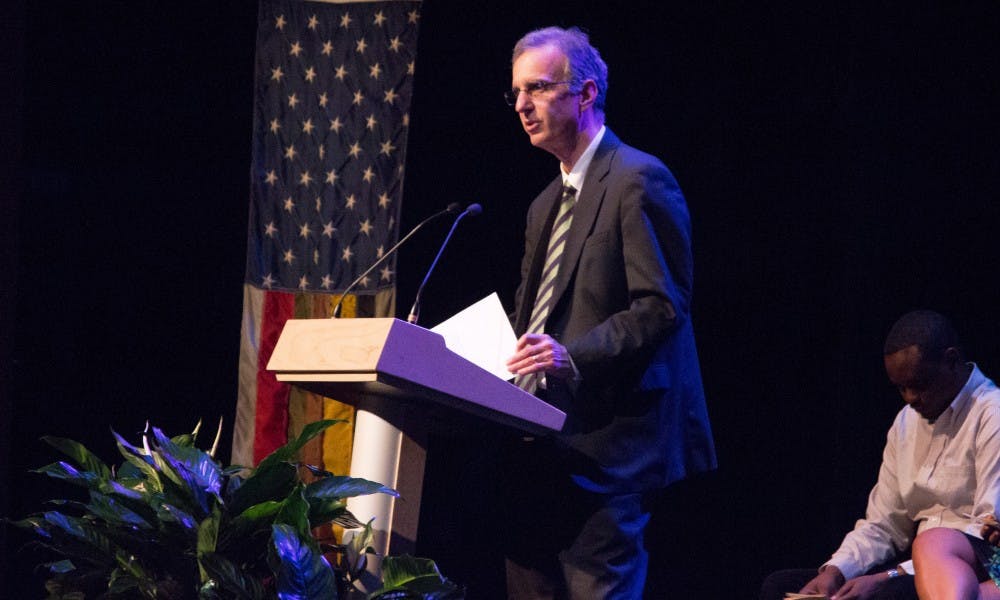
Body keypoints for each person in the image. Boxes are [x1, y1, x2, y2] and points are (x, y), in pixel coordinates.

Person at [500, 26, 716, 599]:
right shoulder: (544, 204)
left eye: (538, 88)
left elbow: (662, 306)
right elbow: (535, 320)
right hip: (536, 446)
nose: (522, 105)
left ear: (586, 93)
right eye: (517, 92)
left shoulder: (638, 179)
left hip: (609, 449)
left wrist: (573, 357)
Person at [759, 310, 1000, 600]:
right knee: (780, 587)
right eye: (901, 388)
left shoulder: (992, 414)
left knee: (886, 594)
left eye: (919, 384)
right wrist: (835, 572)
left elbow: (986, 538)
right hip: (910, 564)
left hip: (966, 569)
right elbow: (884, 523)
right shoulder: (905, 422)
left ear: (950, 361)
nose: (910, 398)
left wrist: (890, 576)